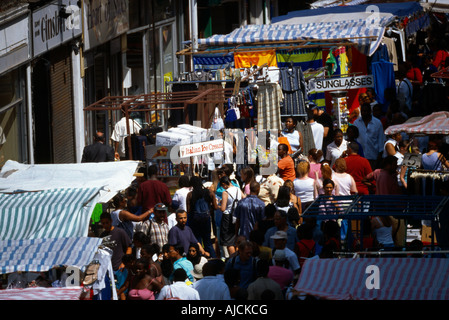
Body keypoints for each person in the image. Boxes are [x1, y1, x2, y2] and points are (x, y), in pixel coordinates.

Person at [186, 176, 218, 258]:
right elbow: (215, 207)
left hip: (195, 221)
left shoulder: (190, 195)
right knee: (208, 242)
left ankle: (199, 259)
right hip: (206, 220)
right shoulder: (209, 192)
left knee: (197, 241)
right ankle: (213, 259)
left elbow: (188, 211)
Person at [99, 211, 133, 286]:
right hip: (107, 270)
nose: (105, 225)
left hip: (119, 268)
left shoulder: (120, 232)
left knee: (121, 291)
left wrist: (123, 263)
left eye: (107, 222)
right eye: (103, 223)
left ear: (111, 221)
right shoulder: (102, 235)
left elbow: (129, 248)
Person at [353, 103, 385, 170]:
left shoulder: (377, 123)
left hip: (373, 157)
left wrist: (379, 157)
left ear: (370, 111)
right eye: (363, 111)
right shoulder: (356, 123)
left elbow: (381, 140)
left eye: (366, 111)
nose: (365, 113)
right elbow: (354, 139)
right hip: (360, 157)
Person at [219, 176, 243, 256]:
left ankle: (233, 258)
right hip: (237, 216)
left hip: (228, 217)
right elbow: (244, 198)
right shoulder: (237, 189)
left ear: (223, 184)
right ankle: (238, 256)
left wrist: (217, 205)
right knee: (235, 237)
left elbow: (223, 208)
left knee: (229, 241)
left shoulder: (225, 193)